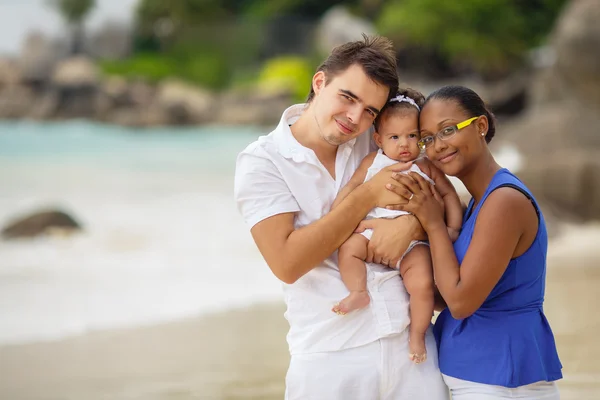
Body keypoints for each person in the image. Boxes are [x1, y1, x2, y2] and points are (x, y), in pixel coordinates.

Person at [234, 35, 449, 399]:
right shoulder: (263, 162)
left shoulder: (378, 139)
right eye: (347, 98)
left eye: (369, 111)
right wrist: (367, 193)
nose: (354, 118)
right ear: (320, 83)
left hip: (413, 347)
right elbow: (287, 262)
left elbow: (438, 192)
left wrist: (411, 226)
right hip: (331, 355)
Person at [389, 85, 563, 399]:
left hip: (501, 378)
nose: (437, 146)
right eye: (427, 139)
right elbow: (447, 289)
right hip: (479, 376)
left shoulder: (504, 201)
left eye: (448, 130)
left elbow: (460, 301)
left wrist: (432, 224)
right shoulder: (475, 204)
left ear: (480, 126)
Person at [330, 88, 463, 365]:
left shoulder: (425, 166)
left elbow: (450, 194)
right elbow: (353, 188)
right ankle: (358, 292)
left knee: (423, 284)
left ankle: (417, 334)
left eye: (412, 136)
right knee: (349, 249)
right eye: (394, 137)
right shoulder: (372, 162)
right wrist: (337, 214)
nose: (404, 144)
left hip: (415, 242)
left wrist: (453, 229)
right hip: (372, 232)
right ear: (378, 139)